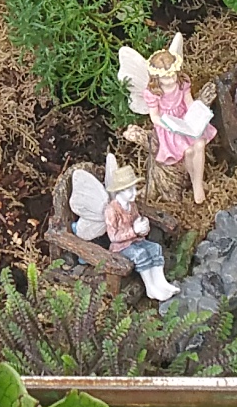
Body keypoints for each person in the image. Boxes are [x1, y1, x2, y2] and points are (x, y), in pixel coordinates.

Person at [120, 34, 211, 203]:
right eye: (166, 77)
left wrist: (197, 113)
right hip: (169, 128)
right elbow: (154, 116)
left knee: (200, 144)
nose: (170, 80)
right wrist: (170, 125)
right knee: (188, 151)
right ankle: (195, 182)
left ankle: (198, 184)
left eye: (172, 75)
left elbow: (189, 102)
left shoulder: (182, 83)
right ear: (157, 78)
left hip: (186, 121)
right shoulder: (153, 93)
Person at [70, 156, 177, 301]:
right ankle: (150, 287)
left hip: (136, 241)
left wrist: (143, 227)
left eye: (134, 188)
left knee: (155, 248)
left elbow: (136, 222)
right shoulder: (111, 210)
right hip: (121, 247)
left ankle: (161, 283)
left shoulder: (132, 205)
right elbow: (113, 237)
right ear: (119, 191)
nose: (134, 193)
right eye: (129, 190)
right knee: (140, 254)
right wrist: (134, 231)